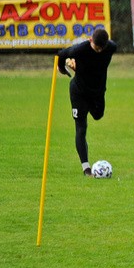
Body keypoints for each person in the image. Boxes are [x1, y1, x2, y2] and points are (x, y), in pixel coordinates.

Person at [57, 28, 117, 176]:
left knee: (98, 115)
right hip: (79, 92)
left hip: (97, 92)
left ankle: (88, 107)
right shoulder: (79, 49)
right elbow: (61, 55)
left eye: (101, 48)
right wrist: (62, 69)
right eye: (96, 48)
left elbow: (95, 65)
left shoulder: (111, 47)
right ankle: (86, 168)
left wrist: (79, 67)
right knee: (81, 128)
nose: (99, 51)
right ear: (91, 40)